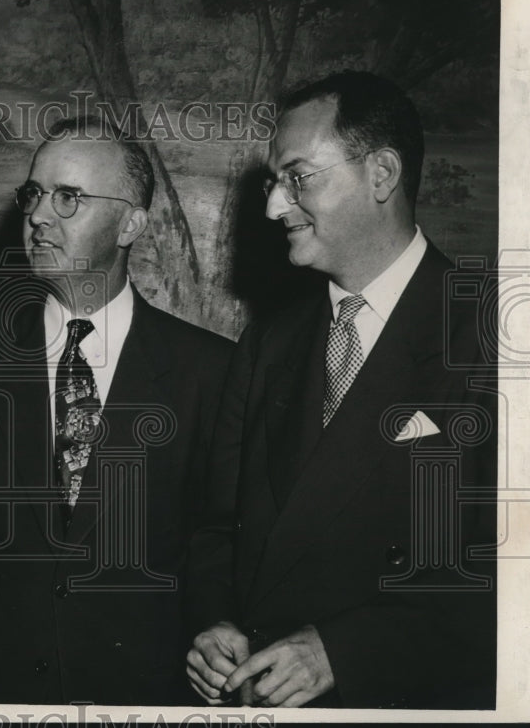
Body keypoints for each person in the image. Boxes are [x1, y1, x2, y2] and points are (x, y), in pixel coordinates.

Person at [185, 71, 496, 709]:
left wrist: (344, 650)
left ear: (382, 174)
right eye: (275, 181)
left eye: (298, 177)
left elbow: (509, 578)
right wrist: (214, 622)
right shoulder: (268, 343)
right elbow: (216, 528)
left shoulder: (496, 339)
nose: (273, 205)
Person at [0, 117, 234, 705]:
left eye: (69, 198)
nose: (38, 216)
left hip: (143, 698)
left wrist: (213, 627)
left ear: (130, 223)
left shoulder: (211, 372)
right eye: (34, 194)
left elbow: (215, 537)